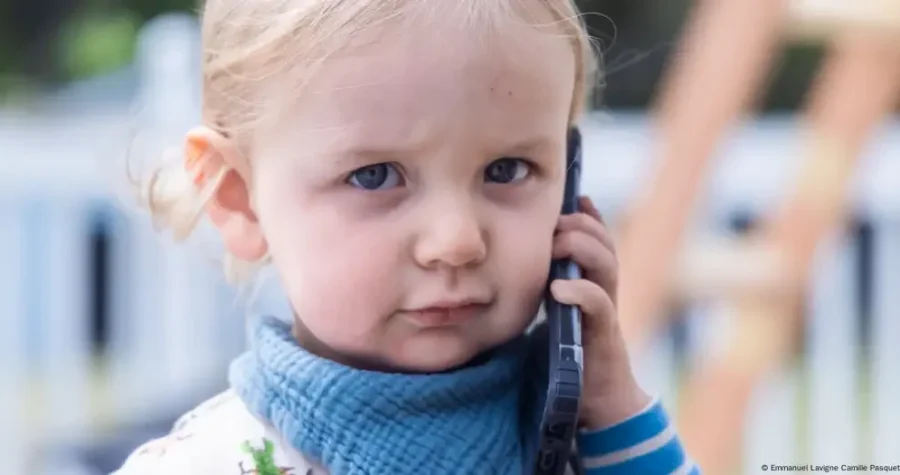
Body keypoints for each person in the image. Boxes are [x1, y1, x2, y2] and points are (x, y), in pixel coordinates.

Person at [115, 0, 700, 474]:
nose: (456, 241)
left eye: (507, 170)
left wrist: (613, 405)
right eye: (374, 177)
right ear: (237, 196)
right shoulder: (209, 463)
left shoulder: (593, 443)